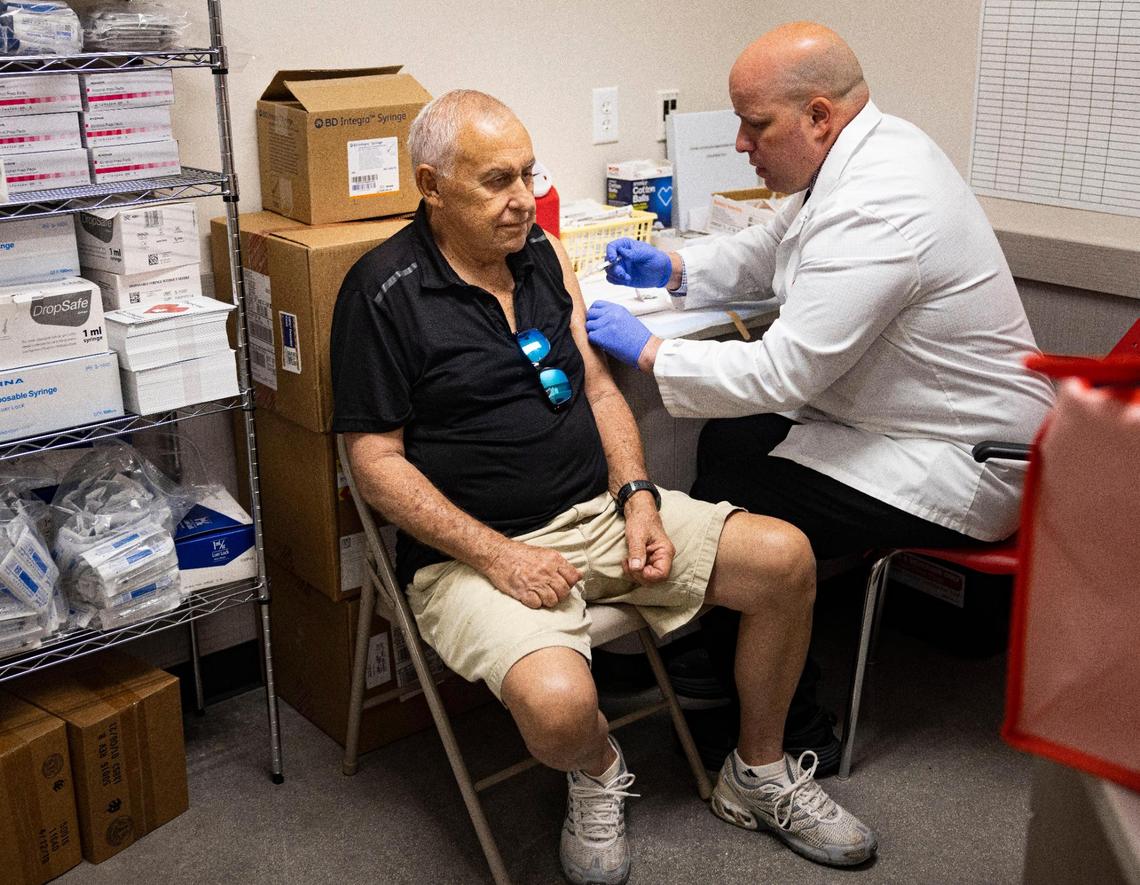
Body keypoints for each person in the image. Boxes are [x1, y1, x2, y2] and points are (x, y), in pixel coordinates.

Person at [330, 89, 878, 884]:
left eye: (528, 172)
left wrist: (640, 497)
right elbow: (373, 463)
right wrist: (500, 556)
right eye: (495, 181)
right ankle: (595, 767)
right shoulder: (382, 292)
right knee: (558, 710)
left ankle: (756, 770)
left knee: (785, 559)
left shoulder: (543, 255)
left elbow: (594, 388)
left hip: (596, 513)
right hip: (476, 554)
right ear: (431, 184)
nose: (522, 199)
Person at [587, 21, 1056, 764]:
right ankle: (722, 657)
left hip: (971, 457)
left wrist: (652, 349)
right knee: (729, 442)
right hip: (912, 421)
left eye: (754, 124)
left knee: (746, 494)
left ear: (817, 116)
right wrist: (676, 271)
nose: (741, 142)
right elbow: (774, 244)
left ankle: (791, 731)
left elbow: (783, 372)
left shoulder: (882, 201)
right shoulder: (859, 152)